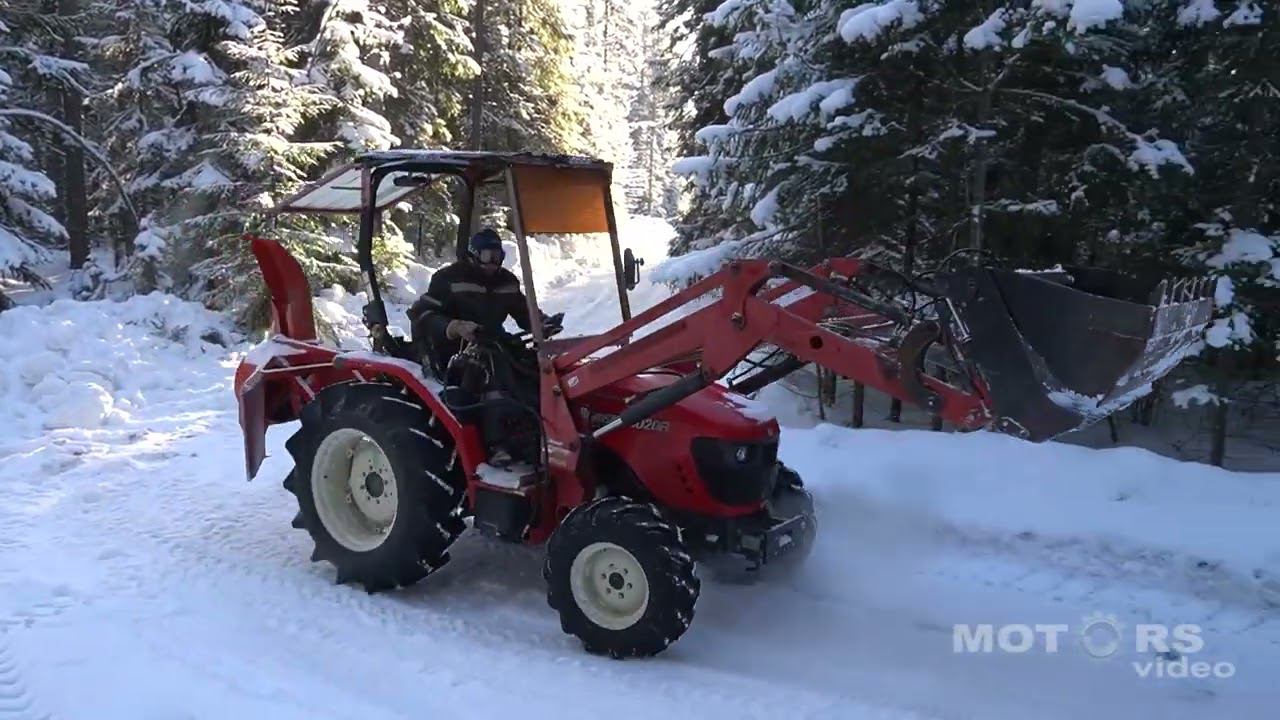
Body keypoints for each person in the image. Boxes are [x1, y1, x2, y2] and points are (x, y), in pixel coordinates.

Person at [408, 228, 536, 376]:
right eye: (488, 256)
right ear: (474, 254)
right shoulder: (449, 278)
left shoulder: (507, 282)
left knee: (530, 370)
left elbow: (523, 312)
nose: (494, 262)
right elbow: (423, 314)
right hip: (454, 350)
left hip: (494, 345)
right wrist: (453, 327)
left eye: (498, 256)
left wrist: (540, 323)